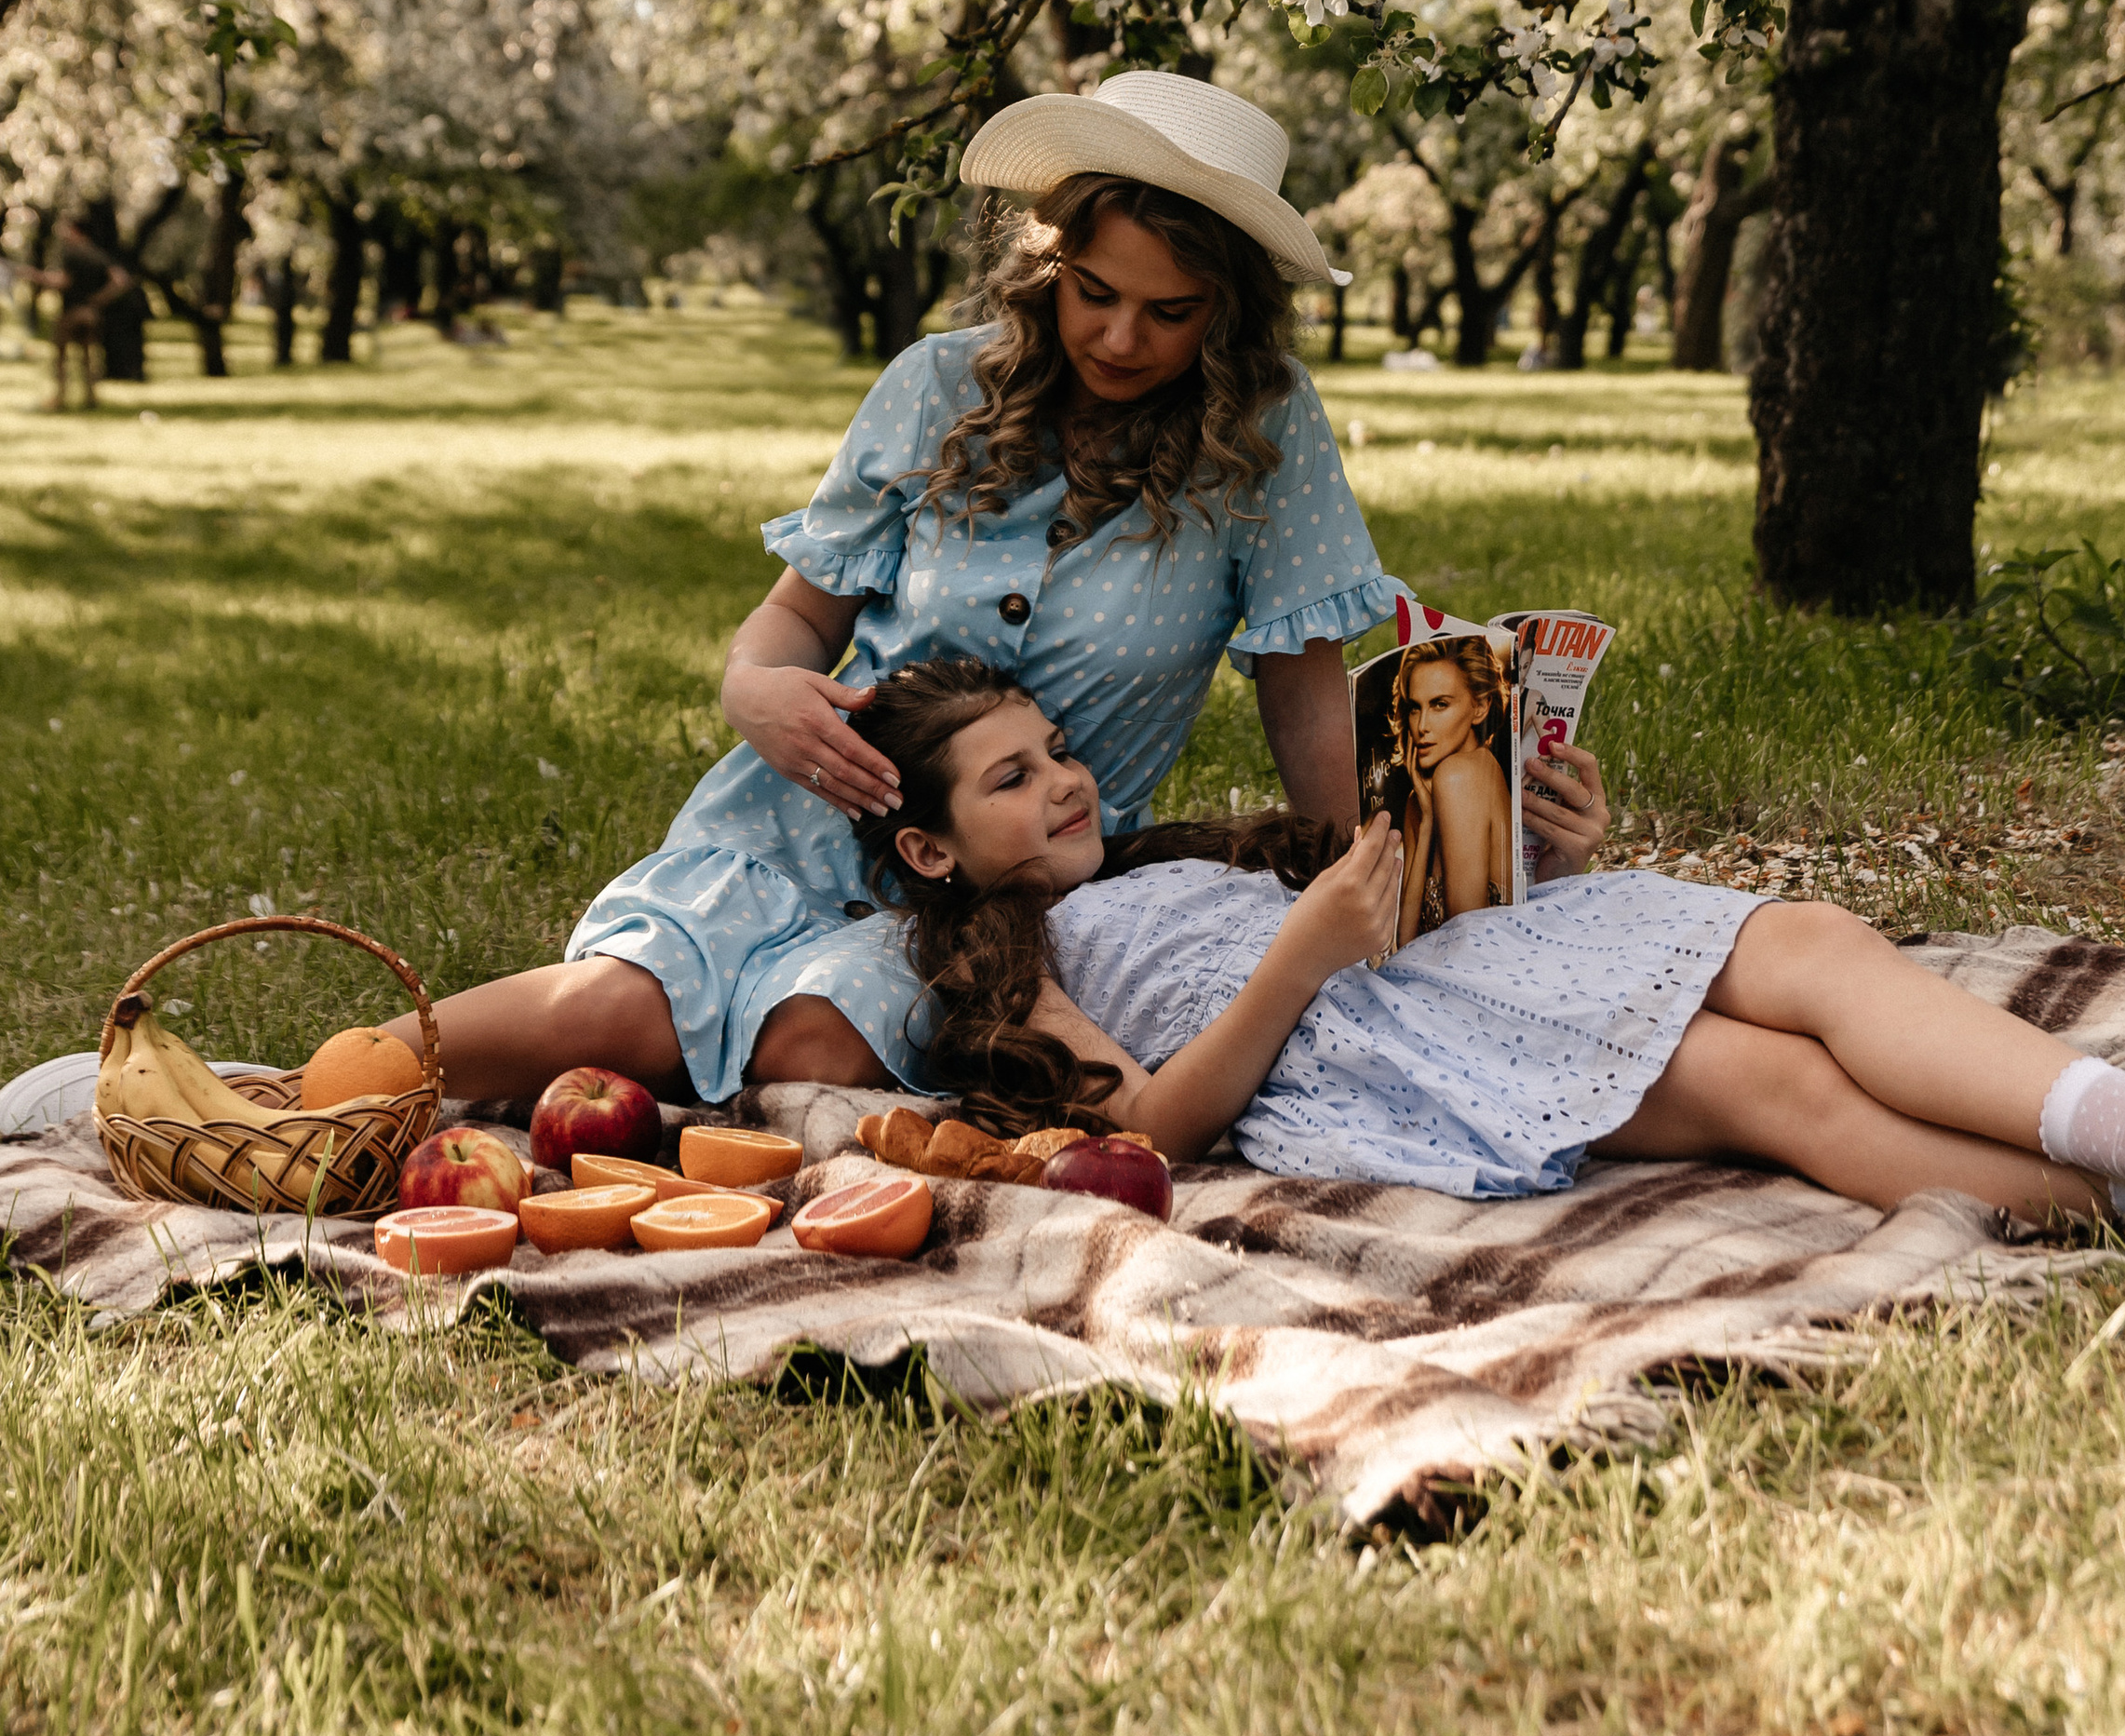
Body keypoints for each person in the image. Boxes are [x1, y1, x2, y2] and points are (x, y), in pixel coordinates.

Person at [382, 72, 1391, 1101]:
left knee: (814, 1047)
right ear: (1050, 265)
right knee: (611, 1012)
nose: (1121, 340)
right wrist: (754, 689)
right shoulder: (936, 386)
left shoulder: (1264, 433)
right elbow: (795, 619)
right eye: (1095, 293)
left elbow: (1301, 684)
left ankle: (655, 1097)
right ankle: (296, 1098)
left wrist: (1364, 876)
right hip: (794, 824)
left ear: (1226, 315)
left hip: (994, 887)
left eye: (1169, 312)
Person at [856, 654, 2125, 1270]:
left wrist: (1530, 844)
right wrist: (1307, 957)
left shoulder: (1175, 856)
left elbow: (1413, 913)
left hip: (1451, 972)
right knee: (1756, 1078)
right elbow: (1148, 1133)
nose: (1062, 783)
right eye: (1008, 781)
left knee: (1807, 939)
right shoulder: (1018, 970)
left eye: (1055, 750)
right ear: (929, 850)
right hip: (1384, 1054)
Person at [1386, 632, 1513, 940]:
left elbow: (1467, 940)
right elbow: (1403, 942)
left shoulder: (1460, 774)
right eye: (1415, 707)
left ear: (1480, 707)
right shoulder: (1421, 801)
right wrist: (1427, 823)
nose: (1421, 726)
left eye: (1440, 704)